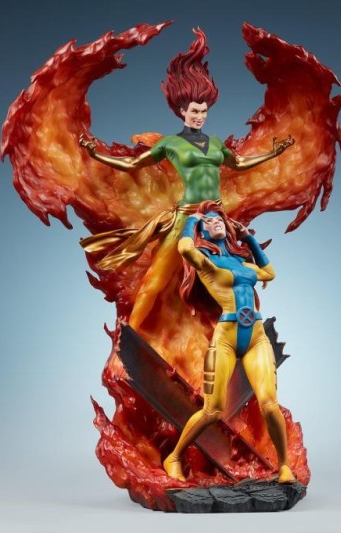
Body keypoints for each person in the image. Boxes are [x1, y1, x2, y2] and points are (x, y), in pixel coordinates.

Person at [78, 27, 293, 331]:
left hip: (218, 219)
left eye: (203, 111)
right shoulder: (172, 144)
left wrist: (272, 153)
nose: (199, 116)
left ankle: (239, 335)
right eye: (194, 111)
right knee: (155, 280)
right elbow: (134, 164)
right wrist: (96, 154)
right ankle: (130, 337)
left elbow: (239, 163)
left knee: (239, 277)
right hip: (187, 219)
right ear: (182, 111)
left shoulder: (215, 143)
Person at [162, 200, 295, 484]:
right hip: (227, 336)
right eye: (209, 221)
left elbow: (269, 273)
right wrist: (193, 220)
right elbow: (183, 248)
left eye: (219, 219)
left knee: (269, 403)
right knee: (213, 410)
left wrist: (249, 239)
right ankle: (174, 457)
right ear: (202, 230)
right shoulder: (204, 260)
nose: (216, 222)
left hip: (255, 335)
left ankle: (284, 466)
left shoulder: (241, 261)